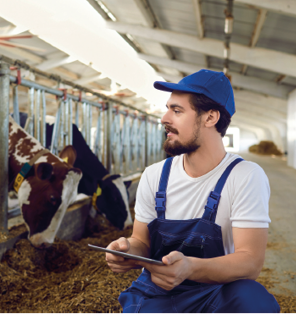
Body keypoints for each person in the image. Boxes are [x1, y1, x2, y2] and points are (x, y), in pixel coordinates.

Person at [105, 69, 280, 313]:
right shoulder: (155, 175)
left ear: (210, 118)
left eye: (177, 111)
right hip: (158, 292)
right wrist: (126, 251)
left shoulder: (245, 176)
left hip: (217, 291)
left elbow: (250, 262)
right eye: (168, 109)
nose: (165, 118)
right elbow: (141, 242)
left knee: (254, 300)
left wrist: (190, 267)